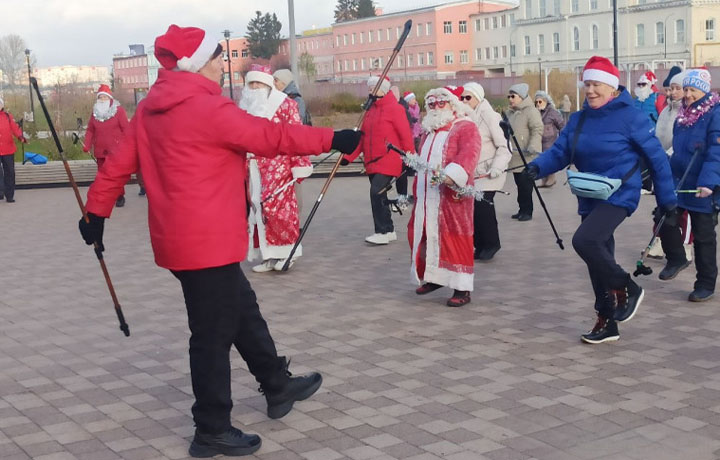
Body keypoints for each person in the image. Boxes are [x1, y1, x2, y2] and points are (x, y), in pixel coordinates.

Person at [77, 25, 361, 458]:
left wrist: (95, 212)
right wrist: (334, 139)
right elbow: (271, 138)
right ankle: (210, 427)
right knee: (211, 335)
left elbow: (117, 163)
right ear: (198, 64)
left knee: (241, 308)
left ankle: (276, 383)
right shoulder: (206, 107)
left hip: (181, 242)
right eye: (216, 59)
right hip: (207, 242)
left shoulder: (152, 107)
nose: (220, 67)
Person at [523, 56, 677, 344]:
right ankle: (607, 321)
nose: (590, 90)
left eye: (596, 85)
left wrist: (667, 198)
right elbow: (560, 152)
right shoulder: (579, 118)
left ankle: (627, 286)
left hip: (620, 193)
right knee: (598, 257)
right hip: (590, 193)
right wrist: (538, 167)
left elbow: (657, 158)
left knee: (585, 240)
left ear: (611, 87)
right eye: (587, 84)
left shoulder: (630, 117)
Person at [409, 86, 481, 307]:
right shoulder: (428, 130)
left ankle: (462, 287)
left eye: (442, 102)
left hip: (452, 196)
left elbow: (470, 153)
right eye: (431, 104)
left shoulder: (465, 126)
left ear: (452, 104)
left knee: (455, 239)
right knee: (425, 236)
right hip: (427, 194)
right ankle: (434, 277)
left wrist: (452, 175)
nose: (436, 107)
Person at [242, 65, 312, 273]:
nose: (255, 87)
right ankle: (268, 254)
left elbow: (297, 134)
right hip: (253, 166)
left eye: (259, 83)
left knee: (280, 211)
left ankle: (287, 252)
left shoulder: (285, 105)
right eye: (251, 83)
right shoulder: (245, 108)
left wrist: (299, 164)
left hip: (279, 165)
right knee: (258, 209)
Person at [658, 68, 720, 302]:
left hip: (703, 184)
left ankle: (705, 283)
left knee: (703, 235)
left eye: (692, 90)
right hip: (680, 179)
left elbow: (717, 152)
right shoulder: (683, 113)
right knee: (664, 217)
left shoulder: (715, 113)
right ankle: (676, 258)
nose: (688, 94)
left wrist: (708, 183)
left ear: (703, 91)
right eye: (686, 89)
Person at [341, 75, 415, 245]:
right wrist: (349, 157)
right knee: (380, 196)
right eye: (369, 87)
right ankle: (389, 230)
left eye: (373, 87)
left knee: (376, 192)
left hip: (389, 159)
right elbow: (362, 138)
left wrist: (411, 156)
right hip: (371, 161)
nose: (369, 90)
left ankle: (381, 231)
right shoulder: (370, 111)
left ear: (383, 89)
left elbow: (405, 135)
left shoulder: (395, 109)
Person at [462, 82, 511, 261]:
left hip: (490, 171)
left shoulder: (491, 116)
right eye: (462, 98)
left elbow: (504, 146)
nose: (464, 101)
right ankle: (480, 244)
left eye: (468, 97)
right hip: (473, 173)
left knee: (483, 206)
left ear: (478, 97)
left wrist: (497, 167)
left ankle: (491, 244)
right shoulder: (464, 118)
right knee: (473, 209)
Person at [651, 70, 693, 262]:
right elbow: (659, 135)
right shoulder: (666, 111)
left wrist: (670, 154)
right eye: (670, 88)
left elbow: (683, 140)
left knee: (684, 209)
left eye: (677, 88)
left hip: (682, 165)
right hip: (664, 164)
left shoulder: (689, 113)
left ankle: (686, 244)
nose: (673, 92)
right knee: (662, 205)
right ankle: (659, 241)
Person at [82, 85, 130, 207]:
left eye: (104, 97)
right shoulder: (95, 113)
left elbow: (126, 129)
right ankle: (107, 196)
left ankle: (119, 195)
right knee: (102, 175)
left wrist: (128, 146)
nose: (102, 99)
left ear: (109, 98)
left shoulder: (119, 111)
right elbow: (90, 130)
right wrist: (87, 145)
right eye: (100, 97)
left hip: (116, 150)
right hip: (100, 150)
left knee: (115, 174)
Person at [506, 83, 543, 221]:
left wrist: (533, 145)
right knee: (519, 185)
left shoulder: (531, 111)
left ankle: (528, 211)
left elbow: (537, 129)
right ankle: (522, 209)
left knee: (526, 186)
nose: (510, 99)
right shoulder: (510, 112)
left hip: (527, 155)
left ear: (521, 97)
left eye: (513, 96)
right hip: (515, 156)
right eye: (509, 96)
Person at [535, 90, 565, 188]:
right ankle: (544, 179)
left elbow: (561, 125)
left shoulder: (552, 112)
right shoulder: (535, 112)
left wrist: (562, 138)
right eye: (536, 102)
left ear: (546, 101)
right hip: (539, 140)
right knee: (541, 160)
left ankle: (552, 178)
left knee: (549, 159)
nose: (538, 104)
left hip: (550, 140)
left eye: (540, 101)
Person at [0, 96, 26, 203]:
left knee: (10, 172)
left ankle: (9, 195)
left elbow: (15, 128)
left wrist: (20, 136)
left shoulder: (7, 116)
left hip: (8, 149)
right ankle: (0, 192)